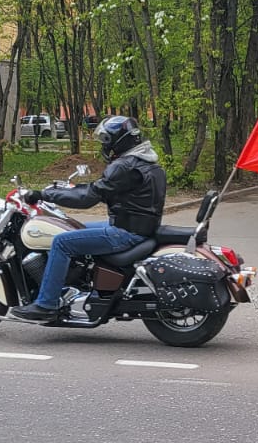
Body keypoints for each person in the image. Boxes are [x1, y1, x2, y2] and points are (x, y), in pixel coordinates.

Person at [9, 116, 166, 322]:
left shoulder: (124, 166)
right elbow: (106, 190)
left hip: (124, 232)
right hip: (137, 226)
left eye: (106, 140)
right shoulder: (148, 162)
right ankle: (76, 284)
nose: (105, 145)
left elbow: (87, 199)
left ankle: (46, 304)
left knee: (61, 241)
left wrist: (44, 195)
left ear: (119, 140)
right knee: (74, 228)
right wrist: (71, 190)